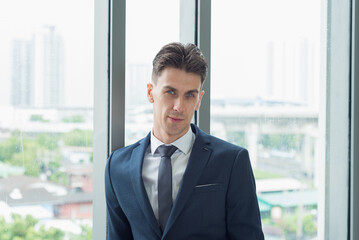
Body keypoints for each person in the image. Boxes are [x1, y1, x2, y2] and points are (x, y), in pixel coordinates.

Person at [105, 42, 265, 240]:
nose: (179, 106)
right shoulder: (117, 167)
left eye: (190, 95)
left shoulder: (231, 162)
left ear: (199, 100)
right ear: (150, 92)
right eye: (170, 92)